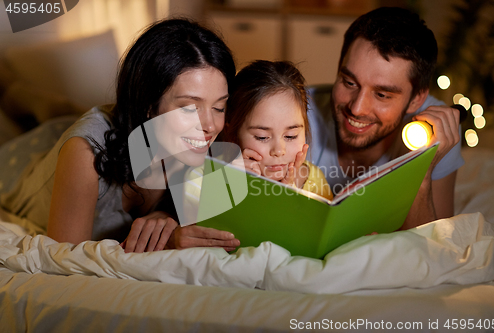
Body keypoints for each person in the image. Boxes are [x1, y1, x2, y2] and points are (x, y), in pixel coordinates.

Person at [0, 18, 241, 253]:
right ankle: (15, 94)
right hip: (21, 163)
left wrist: (166, 214)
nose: (210, 125)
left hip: (119, 124)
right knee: (49, 117)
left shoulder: (211, 138)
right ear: (148, 102)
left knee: (64, 111)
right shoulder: (85, 151)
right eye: (189, 107)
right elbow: (63, 263)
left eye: (219, 107)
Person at [307, 7, 464, 229]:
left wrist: (420, 172)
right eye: (349, 82)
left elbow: (436, 249)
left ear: (417, 99)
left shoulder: (436, 129)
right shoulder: (295, 113)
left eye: (382, 94)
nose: (357, 108)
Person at [224, 60, 333, 200]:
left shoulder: (314, 181)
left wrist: (287, 197)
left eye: (291, 136)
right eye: (262, 137)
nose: (279, 151)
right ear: (232, 134)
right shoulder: (216, 173)